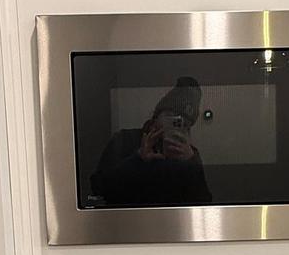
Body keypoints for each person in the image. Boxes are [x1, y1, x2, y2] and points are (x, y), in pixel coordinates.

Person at [88, 76, 212, 208]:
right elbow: (98, 190)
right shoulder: (125, 139)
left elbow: (204, 203)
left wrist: (191, 164)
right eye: (171, 117)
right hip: (125, 223)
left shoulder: (188, 154)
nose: (176, 126)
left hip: (173, 226)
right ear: (157, 116)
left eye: (184, 124)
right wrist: (138, 159)